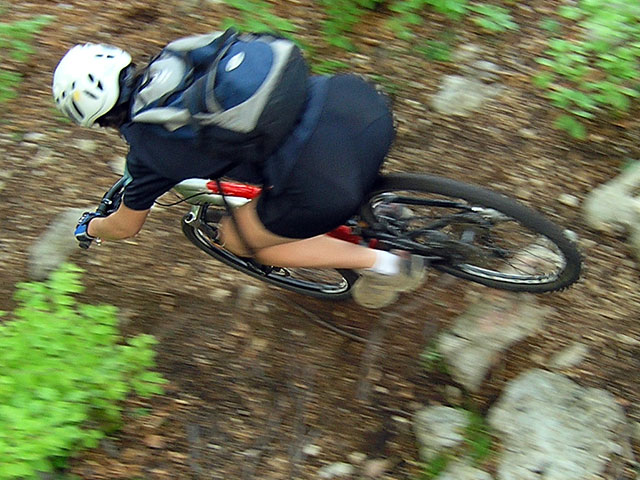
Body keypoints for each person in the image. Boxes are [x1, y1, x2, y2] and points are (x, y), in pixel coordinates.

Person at [52, 35, 425, 309]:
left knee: (241, 240)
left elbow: (124, 227)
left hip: (325, 179)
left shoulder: (148, 151)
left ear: (97, 119)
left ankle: (390, 265)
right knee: (313, 155)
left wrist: (90, 227)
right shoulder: (180, 57)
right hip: (358, 101)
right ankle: (386, 210)